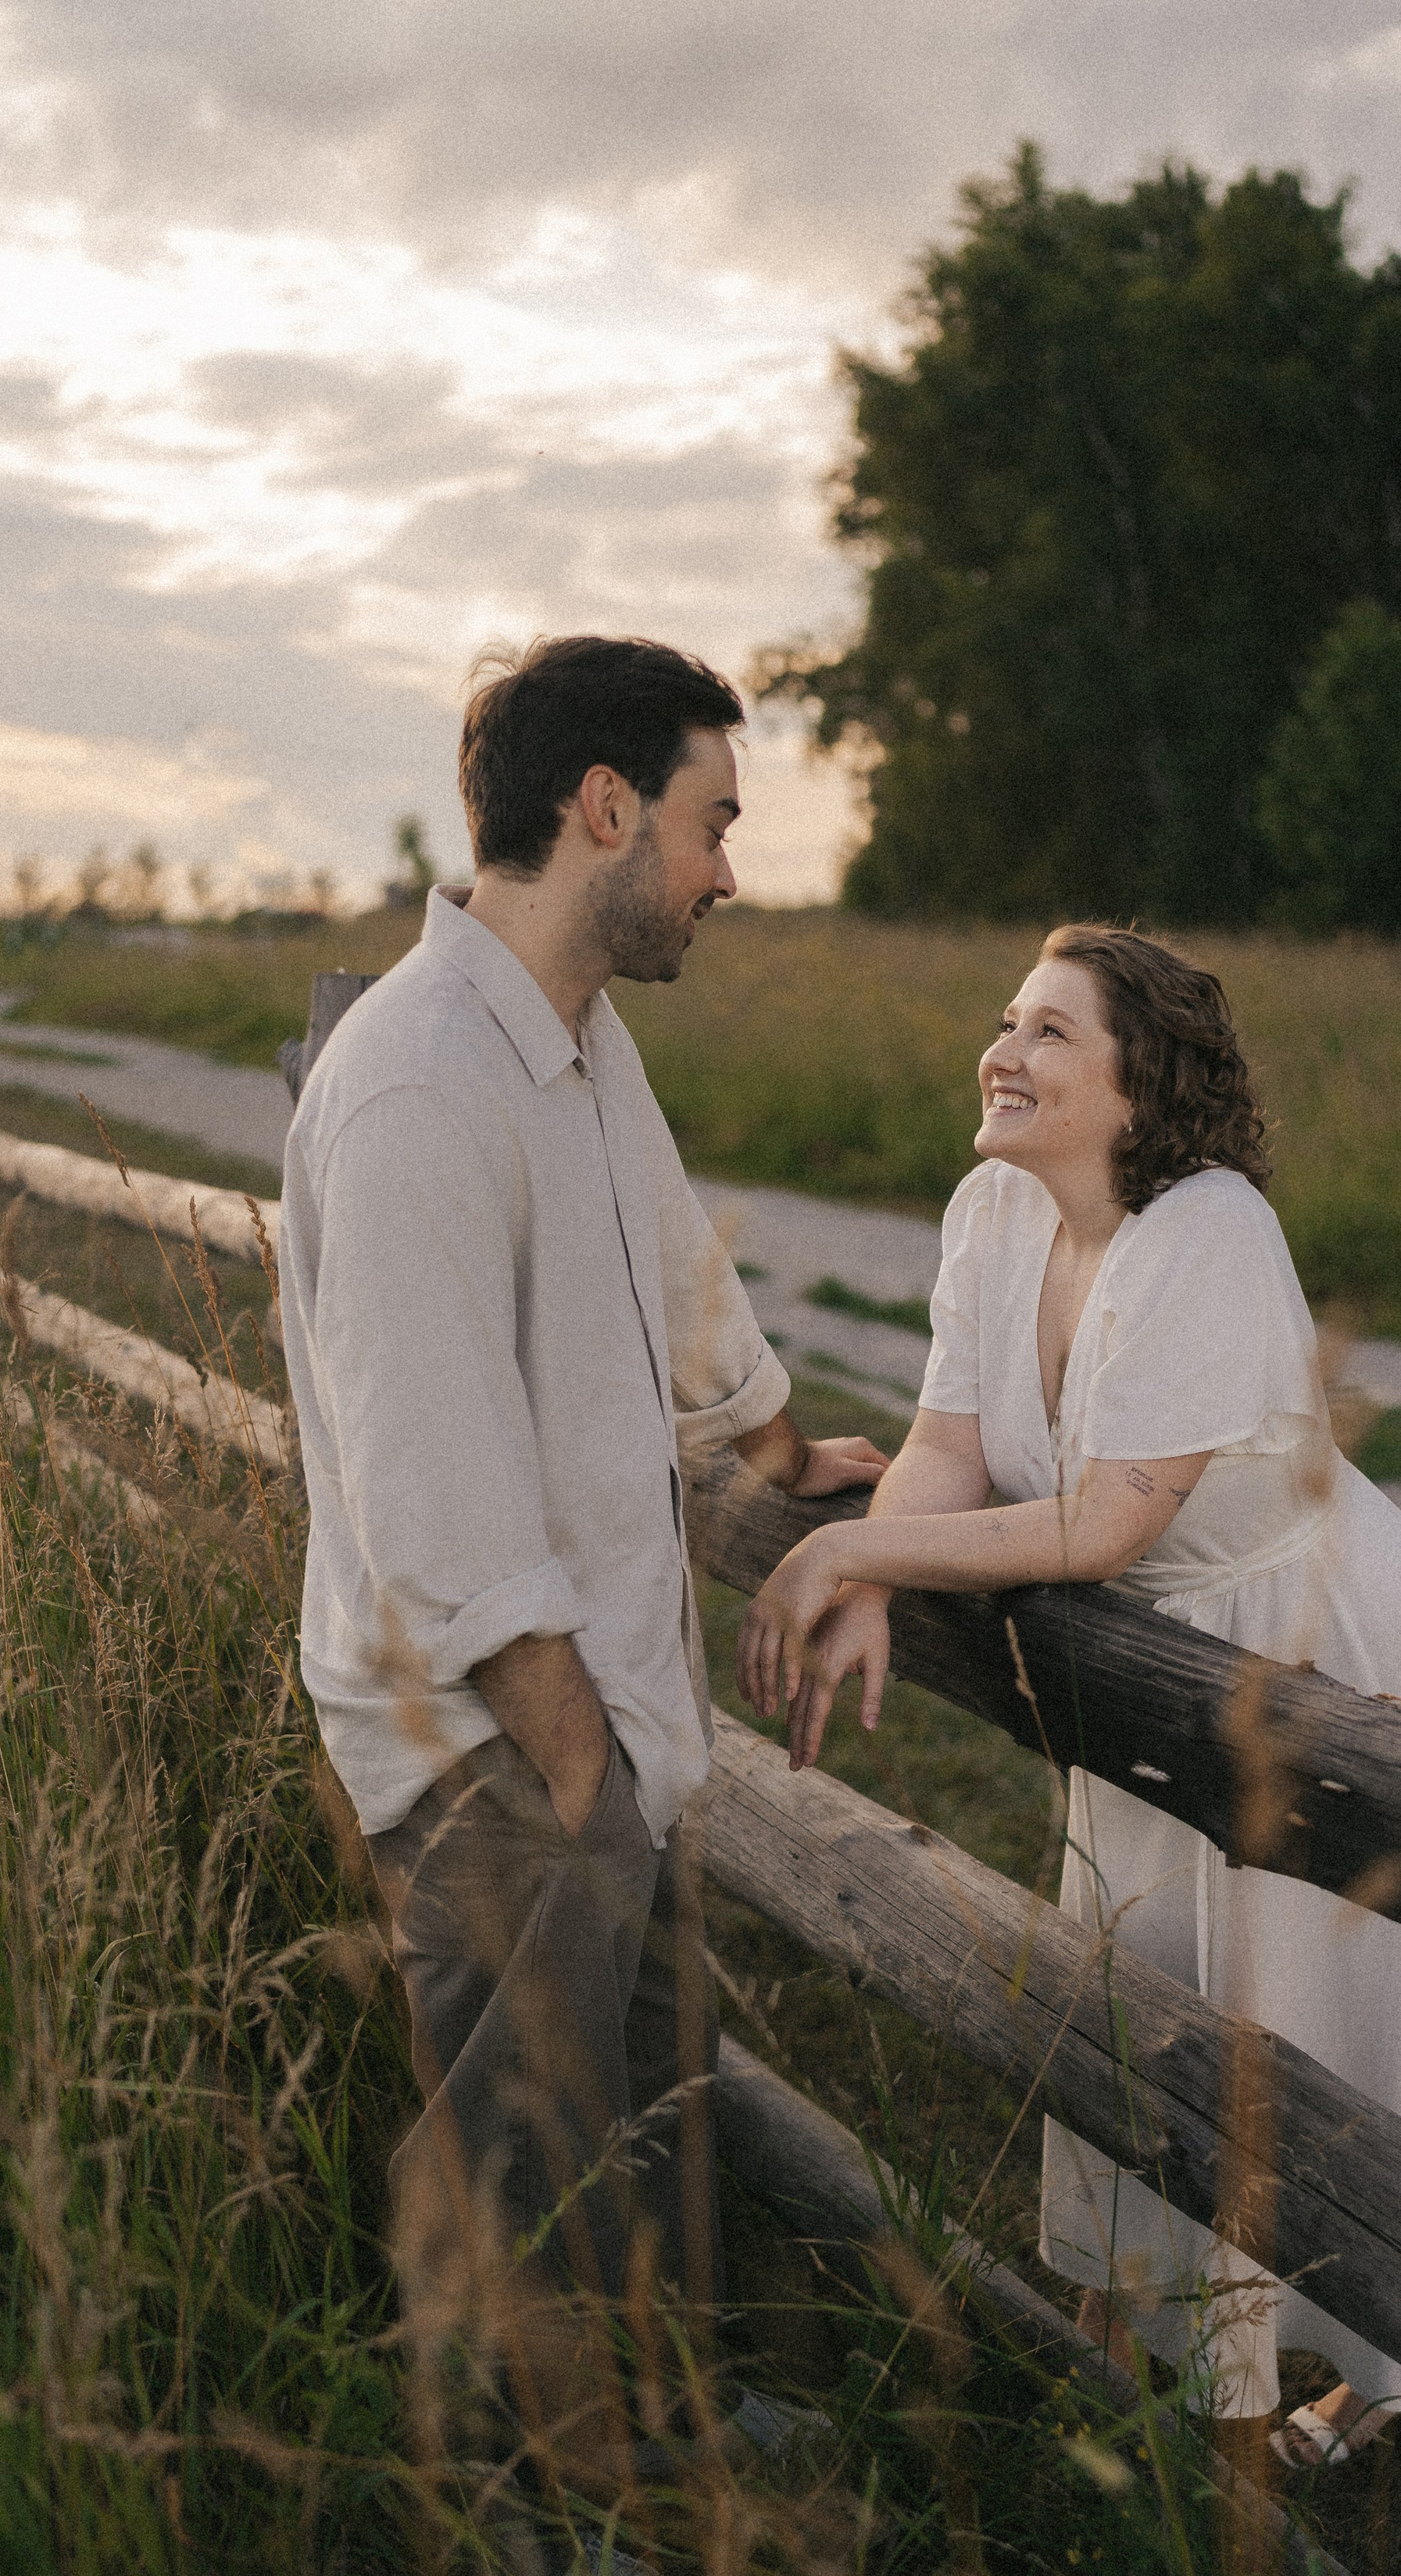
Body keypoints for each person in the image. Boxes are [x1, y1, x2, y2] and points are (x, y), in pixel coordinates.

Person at [736, 924, 1401, 2466]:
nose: (999, 1054)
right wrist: (877, 1562)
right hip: (1150, 1663)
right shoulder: (991, 1208)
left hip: (1320, 1644)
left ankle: (1358, 2381)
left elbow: (1105, 1524)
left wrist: (852, 1550)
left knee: (1325, 2022)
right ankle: (1157, 2350)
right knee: (1145, 1986)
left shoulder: (1207, 1230)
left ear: (1139, 1088)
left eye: (1045, 1036)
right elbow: (947, 1444)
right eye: (1001, 1021)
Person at [276, 635, 885, 2440]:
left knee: (639, 2109)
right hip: (497, 1735)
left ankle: (664, 2437)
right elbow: (433, 1478)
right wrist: (568, 1758)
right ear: (601, 808)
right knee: (526, 2162)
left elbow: (671, 1254)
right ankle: (554, 2570)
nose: (723, 869)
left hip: (596, 1705)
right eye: (710, 821)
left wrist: (773, 1437)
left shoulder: (570, 1041)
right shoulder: (411, 1087)